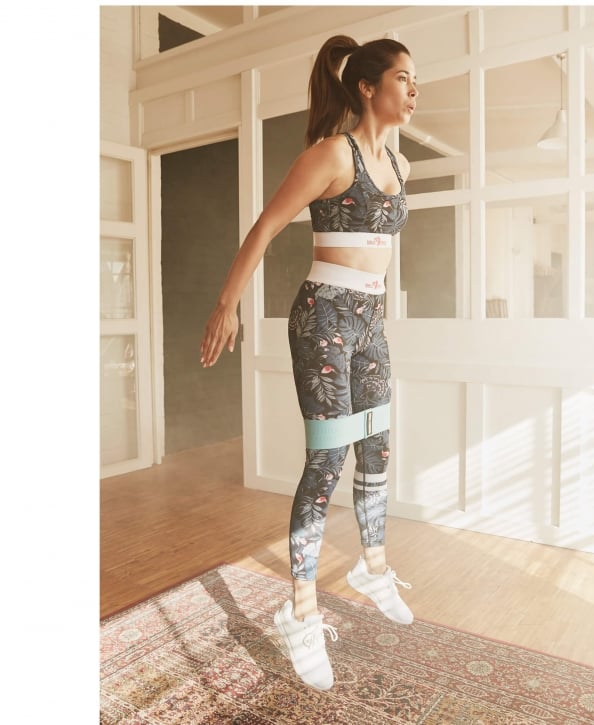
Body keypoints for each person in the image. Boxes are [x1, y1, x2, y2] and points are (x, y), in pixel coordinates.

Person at [199, 34, 418, 691]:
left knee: (376, 447)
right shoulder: (331, 154)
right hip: (324, 318)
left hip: (371, 321)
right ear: (367, 87)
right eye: (403, 78)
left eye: (416, 80)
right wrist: (227, 306)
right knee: (327, 461)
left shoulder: (399, 164)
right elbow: (265, 227)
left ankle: (371, 567)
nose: (413, 90)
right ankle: (299, 611)